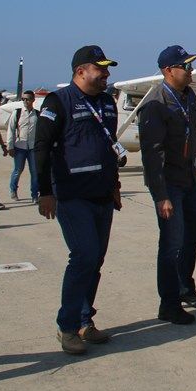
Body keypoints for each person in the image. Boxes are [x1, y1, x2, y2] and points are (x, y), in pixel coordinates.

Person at [34, 45, 123, 355]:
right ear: (80, 71)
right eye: (100, 69)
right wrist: (45, 191)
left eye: (107, 69)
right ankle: (68, 326)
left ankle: (85, 320)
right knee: (84, 255)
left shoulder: (107, 103)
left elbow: (109, 145)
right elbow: (41, 147)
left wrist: (114, 184)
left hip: (102, 194)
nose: (106, 74)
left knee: (96, 259)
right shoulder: (58, 101)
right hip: (72, 195)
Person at [138, 45, 196, 325]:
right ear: (168, 70)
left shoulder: (188, 95)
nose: (191, 70)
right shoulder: (155, 104)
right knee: (172, 242)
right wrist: (161, 195)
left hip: (189, 176)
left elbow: (193, 131)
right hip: (168, 181)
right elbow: (152, 154)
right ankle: (169, 304)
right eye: (186, 66)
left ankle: (185, 287)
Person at [7, 90, 39, 201]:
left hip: (33, 148)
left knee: (35, 172)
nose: (25, 101)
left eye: (27, 99)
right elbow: (11, 130)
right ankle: (13, 190)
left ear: (33, 100)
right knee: (18, 170)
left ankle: (34, 194)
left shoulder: (37, 114)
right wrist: (10, 146)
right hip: (19, 147)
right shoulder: (17, 113)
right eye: (23, 99)